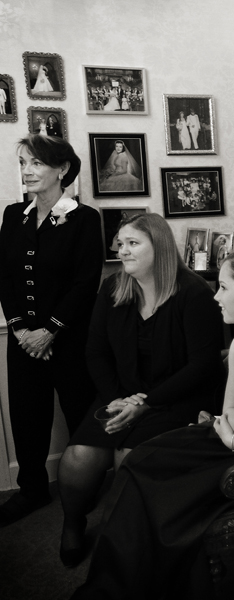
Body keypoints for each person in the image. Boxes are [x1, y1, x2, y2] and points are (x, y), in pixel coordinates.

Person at [71, 249, 234, 599]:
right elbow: (231, 408)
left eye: (223, 287)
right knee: (141, 461)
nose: (215, 296)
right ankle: (116, 585)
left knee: (165, 495)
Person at [57, 212, 225, 567]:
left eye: (133, 243)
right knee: (77, 459)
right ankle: (72, 522)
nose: (123, 251)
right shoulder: (113, 287)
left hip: (175, 399)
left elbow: (203, 365)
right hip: (119, 394)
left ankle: (126, 542)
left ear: (159, 247)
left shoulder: (194, 293)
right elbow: (96, 351)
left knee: (128, 459)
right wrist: (114, 398)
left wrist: (148, 403)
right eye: (121, 243)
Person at [0, 135, 103, 527]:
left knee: (80, 413)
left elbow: (85, 282)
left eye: (36, 163)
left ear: (62, 170)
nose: (26, 170)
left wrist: (50, 331)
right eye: (23, 163)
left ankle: (85, 486)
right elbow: (4, 277)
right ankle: (31, 490)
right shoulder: (14, 215)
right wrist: (22, 330)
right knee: (27, 416)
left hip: (70, 340)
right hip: (23, 340)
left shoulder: (84, 218)